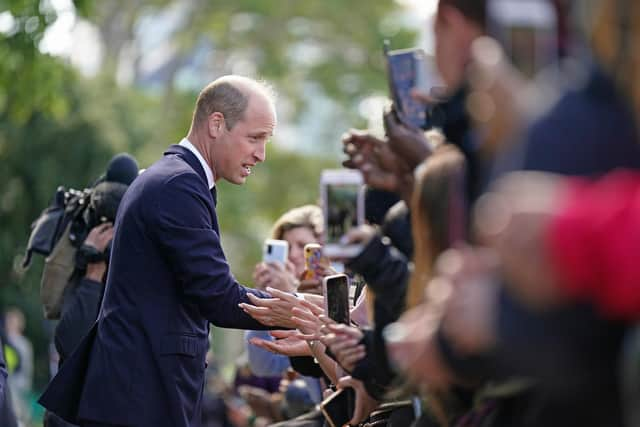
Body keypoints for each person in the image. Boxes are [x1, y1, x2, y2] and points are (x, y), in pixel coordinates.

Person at [40, 75, 287, 427]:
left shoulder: (175, 179)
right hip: (139, 402)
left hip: (139, 396)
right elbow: (218, 296)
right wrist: (299, 310)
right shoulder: (177, 185)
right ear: (217, 124)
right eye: (255, 138)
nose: (261, 154)